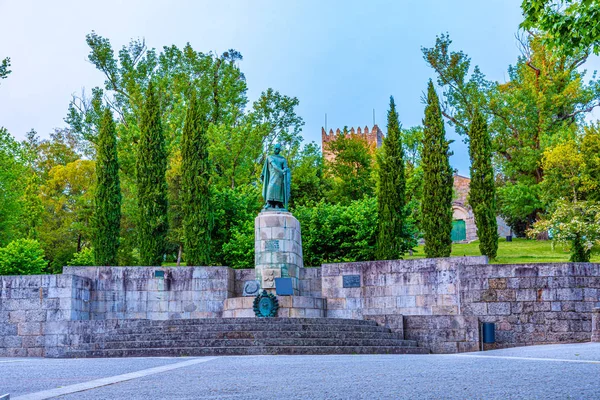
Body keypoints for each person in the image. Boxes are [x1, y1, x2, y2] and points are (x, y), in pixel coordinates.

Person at [261, 143, 290, 210]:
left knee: (279, 190)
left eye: (277, 149)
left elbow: (285, 167)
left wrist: (285, 170)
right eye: (274, 148)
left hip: (280, 177)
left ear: (279, 150)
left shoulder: (283, 159)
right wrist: (282, 171)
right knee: (271, 187)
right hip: (273, 176)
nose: (275, 150)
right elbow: (274, 166)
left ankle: (277, 204)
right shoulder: (270, 157)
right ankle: (269, 203)